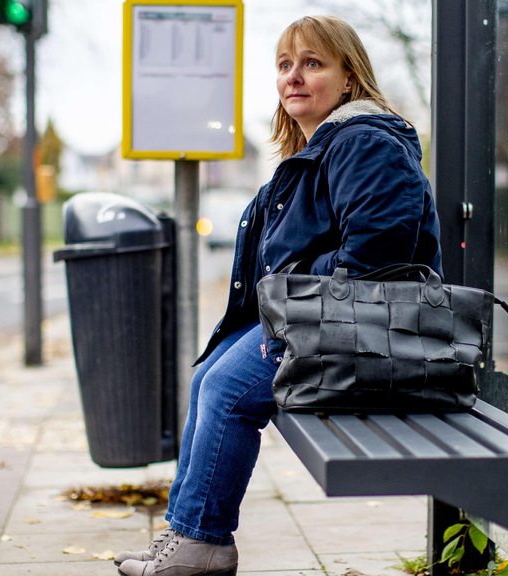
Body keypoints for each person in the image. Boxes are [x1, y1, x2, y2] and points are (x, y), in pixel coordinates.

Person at [115, 15, 442, 576]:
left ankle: (205, 541)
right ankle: (187, 530)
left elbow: (378, 261)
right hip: (321, 317)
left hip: (361, 329)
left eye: (312, 63)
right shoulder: (320, 148)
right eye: (285, 66)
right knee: (209, 377)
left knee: (224, 389)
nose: (293, 77)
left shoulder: (367, 144)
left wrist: (291, 280)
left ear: (348, 79)